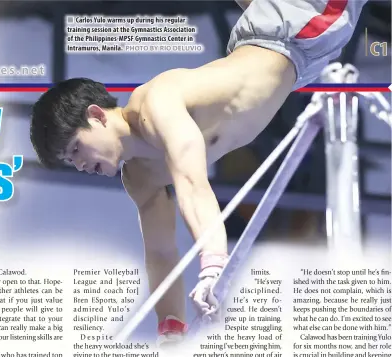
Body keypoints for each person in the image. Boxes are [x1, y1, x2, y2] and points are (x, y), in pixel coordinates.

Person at [30, 0, 366, 346]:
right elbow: (161, 256)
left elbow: (192, 183)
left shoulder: (155, 105)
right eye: (72, 163)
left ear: (98, 115)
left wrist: (213, 265)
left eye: (75, 149)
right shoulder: (139, 179)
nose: (81, 165)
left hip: (292, 29)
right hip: (298, 59)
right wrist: (171, 329)